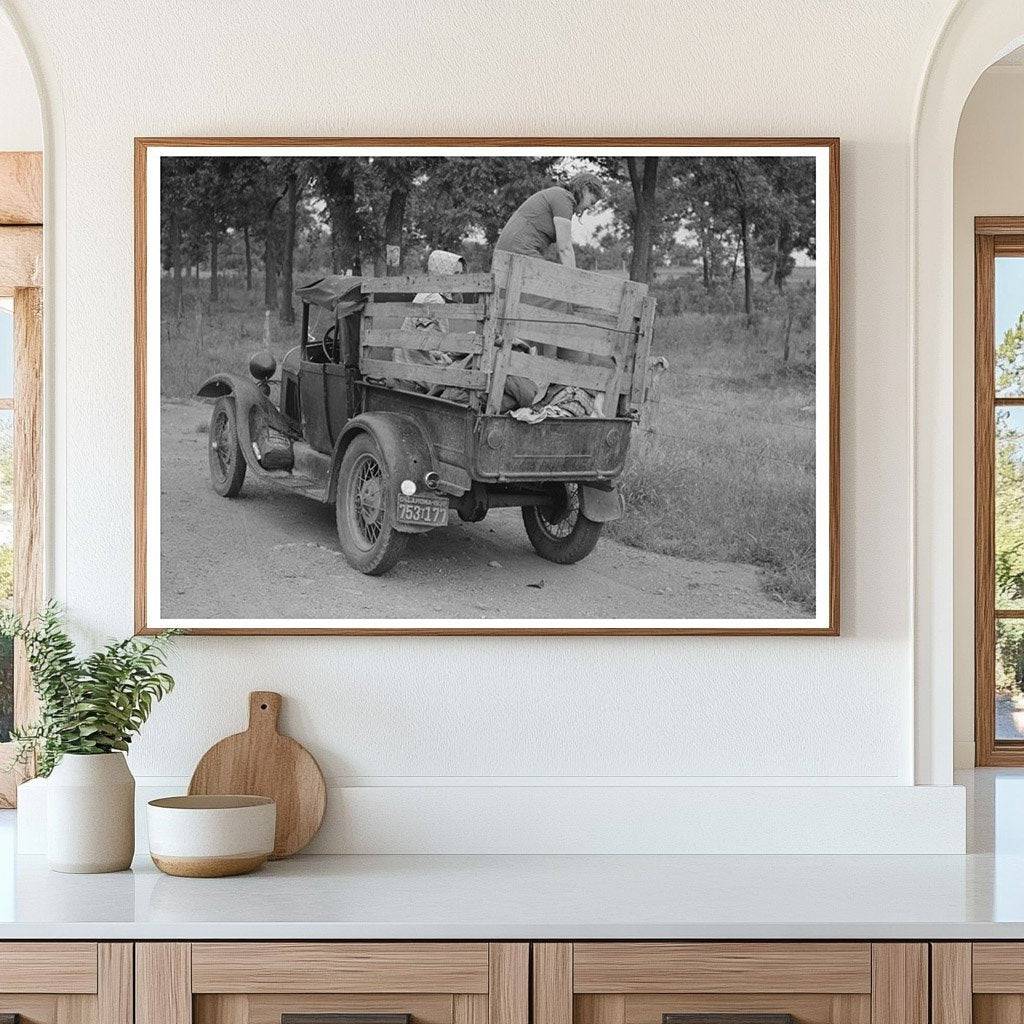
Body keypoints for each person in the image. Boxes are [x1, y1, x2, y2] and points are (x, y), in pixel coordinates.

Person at [392, 249, 467, 396]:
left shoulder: (430, 292)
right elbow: (425, 342)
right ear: (442, 273)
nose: (459, 280)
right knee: (468, 373)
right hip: (417, 369)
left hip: (415, 364)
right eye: (455, 274)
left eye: (460, 275)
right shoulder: (434, 299)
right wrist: (446, 356)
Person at [494, 171, 603, 268]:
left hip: (510, 253)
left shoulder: (560, 196)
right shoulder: (563, 198)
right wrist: (572, 282)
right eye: (592, 202)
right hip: (517, 251)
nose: (591, 207)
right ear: (585, 189)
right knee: (552, 284)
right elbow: (564, 248)